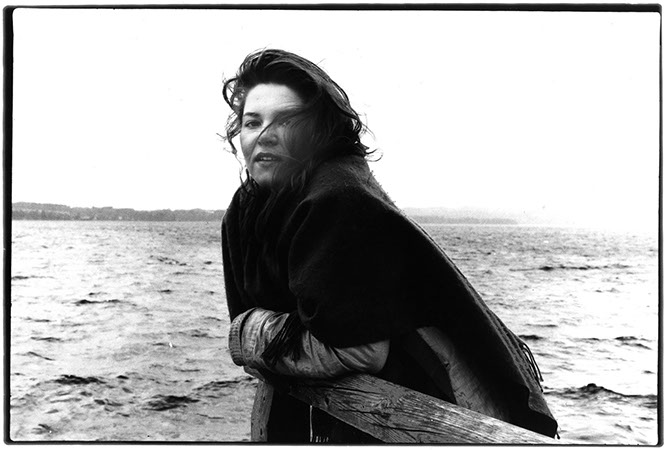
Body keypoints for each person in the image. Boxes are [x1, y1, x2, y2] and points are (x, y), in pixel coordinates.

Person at [221, 48, 558, 443]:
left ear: (318, 130)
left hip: (438, 408)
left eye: (287, 120)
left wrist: (246, 335)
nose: (265, 134)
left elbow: (358, 349)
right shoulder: (253, 207)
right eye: (252, 122)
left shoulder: (338, 198)